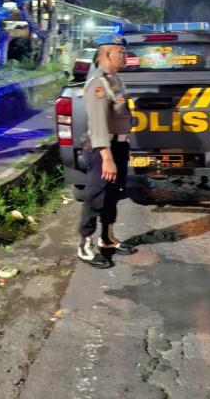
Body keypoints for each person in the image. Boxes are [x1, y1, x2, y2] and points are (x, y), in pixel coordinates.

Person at [77, 34, 136, 268]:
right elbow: (99, 125)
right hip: (103, 150)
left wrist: (123, 147)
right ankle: (85, 245)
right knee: (95, 197)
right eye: (121, 52)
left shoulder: (114, 79)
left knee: (113, 195)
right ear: (108, 54)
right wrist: (107, 158)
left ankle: (107, 238)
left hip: (118, 146)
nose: (125, 56)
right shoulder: (98, 84)